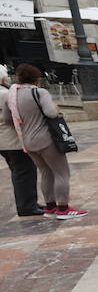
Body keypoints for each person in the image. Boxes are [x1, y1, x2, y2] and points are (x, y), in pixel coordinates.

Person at [6, 65, 85, 219]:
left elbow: (8, 119)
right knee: (62, 173)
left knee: (45, 172)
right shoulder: (40, 92)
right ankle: (63, 209)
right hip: (46, 140)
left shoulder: (12, 95)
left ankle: (50, 207)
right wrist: (56, 107)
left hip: (27, 141)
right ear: (37, 79)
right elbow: (50, 113)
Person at [0, 66, 41, 217]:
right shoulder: (6, 94)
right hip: (13, 140)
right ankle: (27, 206)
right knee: (25, 172)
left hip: (3, 142)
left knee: (18, 172)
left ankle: (27, 204)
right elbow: (11, 117)